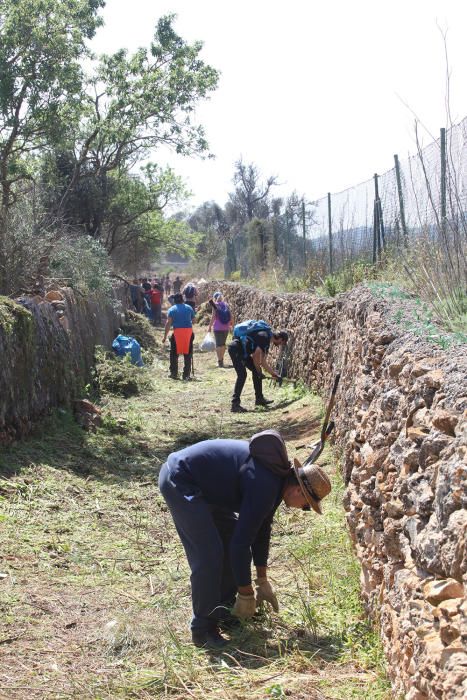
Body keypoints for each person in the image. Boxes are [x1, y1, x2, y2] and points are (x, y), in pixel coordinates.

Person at [158, 429, 332, 648]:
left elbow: (261, 530)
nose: (303, 509)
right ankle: (202, 629)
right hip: (181, 479)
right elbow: (240, 545)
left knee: (229, 535)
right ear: (298, 491)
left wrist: (262, 580)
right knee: (210, 556)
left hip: (207, 489)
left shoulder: (277, 483)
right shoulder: (266, 485)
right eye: (307, 506)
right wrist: (246, 592)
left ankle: (225, 611)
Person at [228, 324, 288, 412]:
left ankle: (259, 399)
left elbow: (262, 362)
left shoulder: (267, 339)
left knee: (256, 372)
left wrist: (274, 374)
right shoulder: (264, 336)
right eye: (282, 342)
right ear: (280, 338)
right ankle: (235, 404)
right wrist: (259, 372)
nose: (280, 345)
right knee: (242, 375)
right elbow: (256, 356)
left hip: (243, 351)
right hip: (236, 349)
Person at [162, 293, 195, 380]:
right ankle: (186, 375)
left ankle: (174, 373)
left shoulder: (172, 310)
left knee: (174, 354)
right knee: (188, 354)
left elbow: (168, 323)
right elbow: (193, 319)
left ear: (174, 300)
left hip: (177, 333)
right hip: (188, 332)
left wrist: (165, 336)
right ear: (182, 299)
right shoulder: (189, 308)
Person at [208, 291, 233, 368]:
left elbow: (213, 317)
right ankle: (221, 360)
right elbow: (231, 316)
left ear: (215, 298)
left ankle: (220, 362)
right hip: (226, 327)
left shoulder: (215, 305)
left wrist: (209, 326)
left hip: (218, 327)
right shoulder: (226, 305)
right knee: (223, 344)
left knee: (218, 345)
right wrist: (231, 325)